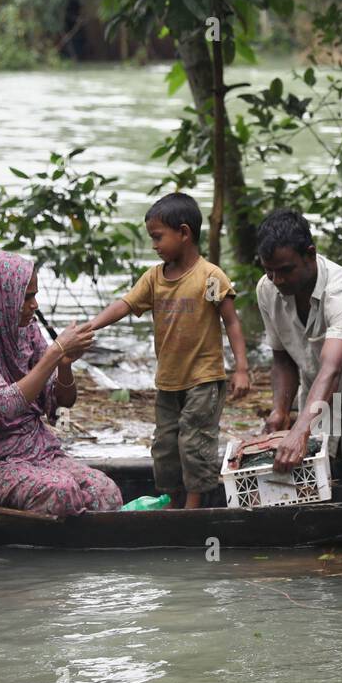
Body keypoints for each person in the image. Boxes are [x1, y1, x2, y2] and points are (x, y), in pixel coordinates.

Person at [89, 193, 249, 509]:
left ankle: (191, 510)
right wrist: (92, 326)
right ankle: (173, 504)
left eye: (158, 237)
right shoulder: (154, 278)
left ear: (184, 233)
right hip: (168, 381)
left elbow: (231, 322)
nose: (154, 245)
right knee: (165, 446)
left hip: (203, 380)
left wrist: (241, 368)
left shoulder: (210, 277)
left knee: (195, 443)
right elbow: (126, 303)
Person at [0, 251, 123, 516]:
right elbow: (8, 404)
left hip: (37, 450)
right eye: (26, 297)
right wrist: (55, 352)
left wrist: (64, 364)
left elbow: (60, 408)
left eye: (34, 296)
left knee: (104, 492)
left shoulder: (26, 332)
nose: (34, 305)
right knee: (60, 491)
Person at [255, 209, 342, 479]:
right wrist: (281, 410)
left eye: (286, 270)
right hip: (318, 431)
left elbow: (331, 369)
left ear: (310, 254)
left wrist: (300, 429)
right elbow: (283, 360)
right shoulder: (267, 289)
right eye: (269, 271)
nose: (278, 280)